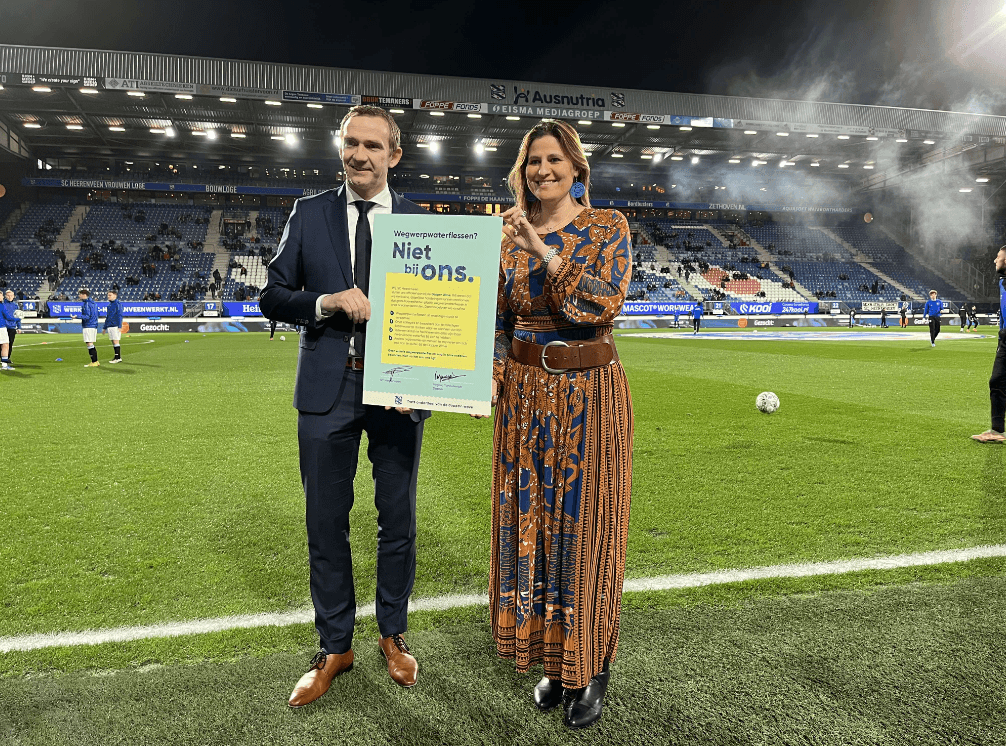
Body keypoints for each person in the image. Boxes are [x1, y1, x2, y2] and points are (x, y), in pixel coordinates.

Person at [259, 105, 430, 707]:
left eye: (372, 146)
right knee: (325, 521)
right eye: (350, 144)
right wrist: (327, 300)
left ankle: (392, 633)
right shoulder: (308, 215)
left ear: (394, 155)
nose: (359, 155)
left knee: (398, 520)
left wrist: (438, 380)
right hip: (326, 392)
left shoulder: (420, 223)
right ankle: (335, 645)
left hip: (398, 394)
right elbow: (270, 295)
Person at [492, 119, 633, 730]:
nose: (542, 171)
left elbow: (598, 304)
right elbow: (496, 321)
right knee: (534, 526)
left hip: (588, 396)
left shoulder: (609, 227)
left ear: (577, 168)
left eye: (554, 160)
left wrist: (542, 250)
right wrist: (491, 379)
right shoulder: (506, 236)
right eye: (532, 163)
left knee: (584, 529)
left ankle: (593, 663)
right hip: (524, 398)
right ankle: (555, 659)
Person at [972, 246, 1006, 443]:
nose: (994, 260)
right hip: (1005, 340)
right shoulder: (1002, 282)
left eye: (998, 257)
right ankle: (996, 430)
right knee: (997, 381)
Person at [78, 288, 100, 367]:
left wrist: (77, 316)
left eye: (80, 294)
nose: (79, 296)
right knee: (90, 342)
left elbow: (87, 316)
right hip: (93, 325)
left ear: (84, 295)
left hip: (88, 325)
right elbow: (98, 313)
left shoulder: (86, 304)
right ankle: (95, 361)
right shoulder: (93, 303)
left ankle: (94, 361)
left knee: (89, 343)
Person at [103, 289, 123, 363]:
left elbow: (119, 315)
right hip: (110, 325)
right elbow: (107, 317)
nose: (108, 296)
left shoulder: (117, 304)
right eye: (108, 295)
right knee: (113, 341)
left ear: (115, 296)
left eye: (110, 295)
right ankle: (117, 357)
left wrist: (119, 326)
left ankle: (117, 358)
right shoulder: (109, 305)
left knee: (115, 341)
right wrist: (105, 327)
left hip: (115, 325)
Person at [3, 290, 21, 361]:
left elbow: (18, 317)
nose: (10, 297)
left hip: (12, 327)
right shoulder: (2, 304)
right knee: (2, 343)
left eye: (11, 295)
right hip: (3, 327)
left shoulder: (15, 305)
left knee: (10, 343)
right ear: (5, 296)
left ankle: (7, 358)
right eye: (8, 295)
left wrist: (19, 327)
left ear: (14, 296)